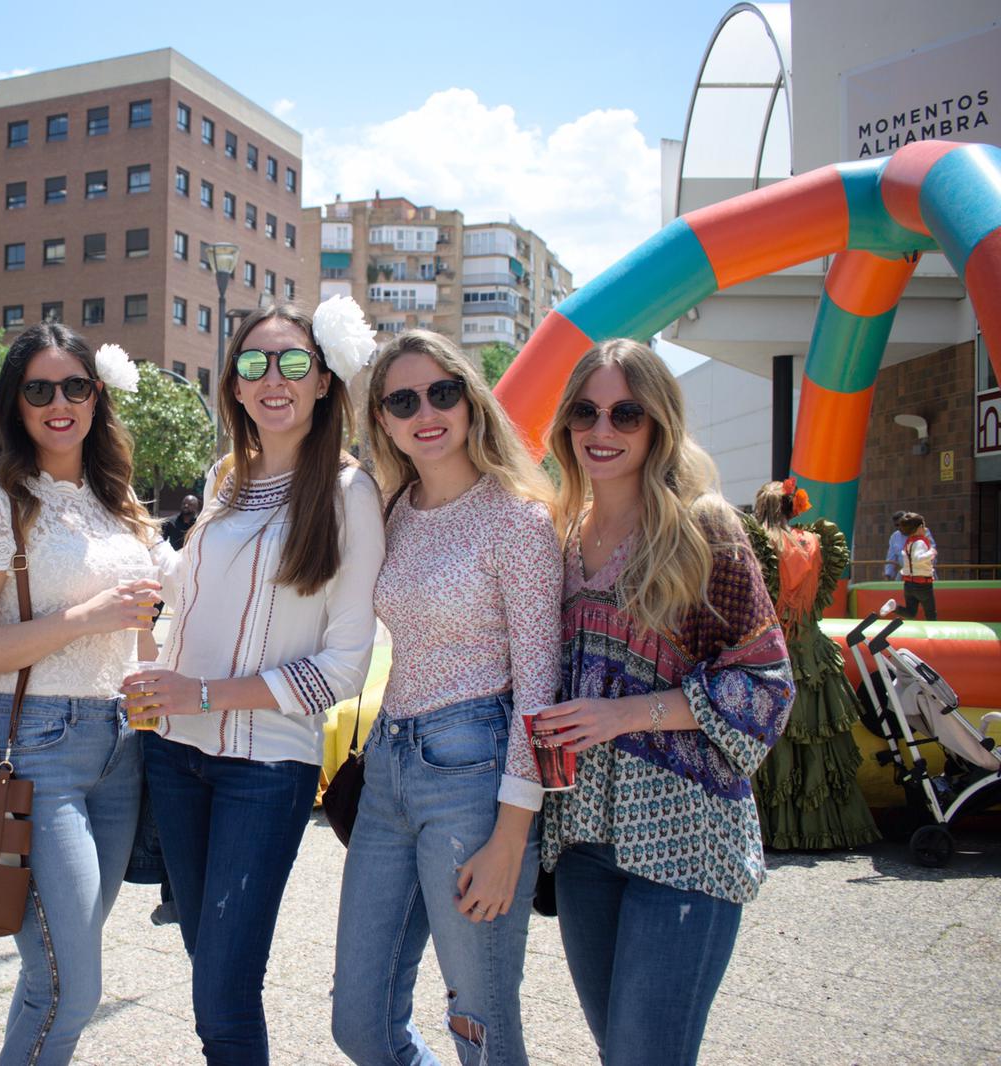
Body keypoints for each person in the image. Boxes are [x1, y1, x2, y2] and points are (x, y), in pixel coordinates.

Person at [124, 300, 386, 1064]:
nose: (274, 378)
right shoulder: (224, 480)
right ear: (233, 386)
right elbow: (196, 591)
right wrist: (140, 574)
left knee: (226, 996)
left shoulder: (349, 496)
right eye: (254, 364)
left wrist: (203, 695)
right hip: (174, 756)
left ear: (324, 381)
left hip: (265, 769)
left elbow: (344, 667)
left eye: (294, 363)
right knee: (210, 966)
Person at [534, 338, 794, 1066]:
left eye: (626, 412)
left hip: (687, 834)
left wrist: (626, 714)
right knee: (620, 1051)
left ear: (658, 425)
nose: (602, 430)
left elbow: (768, 684)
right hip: (584, 838)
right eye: (585, 411)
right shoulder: (558, 534)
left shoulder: (702, 529)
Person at [332, 330, 560, 1066]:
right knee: (359, 1025)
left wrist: (511, 838)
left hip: (476, 779)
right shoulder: (392, 511)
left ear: (470, 399)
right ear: (384, 421)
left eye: (442, 392)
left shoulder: (517, 520)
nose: (425, 411)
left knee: (482, 1027)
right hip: (390, 769)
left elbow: (539, 687)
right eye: (403, 400)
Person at [0, 324, 160, 1065]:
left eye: (75, 387)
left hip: (119, 748)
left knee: (59, 970)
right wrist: (83, 620)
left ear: (97, 396)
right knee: (71, 986)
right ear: (15, 403)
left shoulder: (112, 498)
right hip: (33, 747)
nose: (58, 403)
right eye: (39, 389)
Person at [745, 480, 879, 850]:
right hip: (812, 651)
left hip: (767, 652)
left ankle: (769, 829)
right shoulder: (818, 542)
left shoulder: (757, 545)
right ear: (794, 508)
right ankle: (821, 829)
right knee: (816, 741)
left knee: (772, 739)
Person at [894, 511, 938, 619]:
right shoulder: (920, 543)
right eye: (924, 526)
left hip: (909, 584)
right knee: (931, 613)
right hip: (923, 584)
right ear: (919, 528)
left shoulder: (909, 542)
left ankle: (895, 608)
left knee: (910, 612)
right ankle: (934, 633)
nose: (925, 529)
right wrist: (931, 552)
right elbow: (918, 558)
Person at [884, 510, 937, 582]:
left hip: (924, 573)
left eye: (902, 524)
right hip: (906, 573)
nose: (899, 527)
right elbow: (891, 557)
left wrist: (931, 553)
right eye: (897, 525)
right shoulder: (895, 537)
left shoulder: (922, 532)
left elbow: (928, 552)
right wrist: (888, 573)